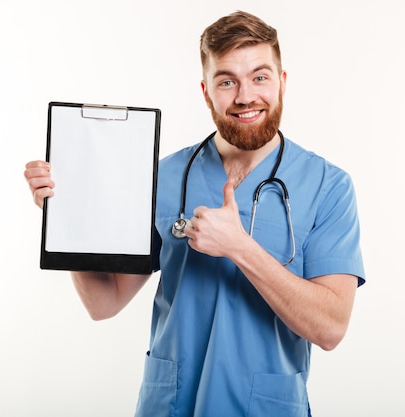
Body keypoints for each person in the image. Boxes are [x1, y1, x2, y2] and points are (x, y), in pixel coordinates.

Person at [24, 10, 365, 417]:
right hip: (170, 405)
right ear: (206, 92)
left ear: (282, 82)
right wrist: (67, 216)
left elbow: (330, 328)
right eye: (227, 81)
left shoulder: (329, 186)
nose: (244, 96)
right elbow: (104, 303)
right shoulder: (162, 178)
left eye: (260, 77)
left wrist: (240, 248)